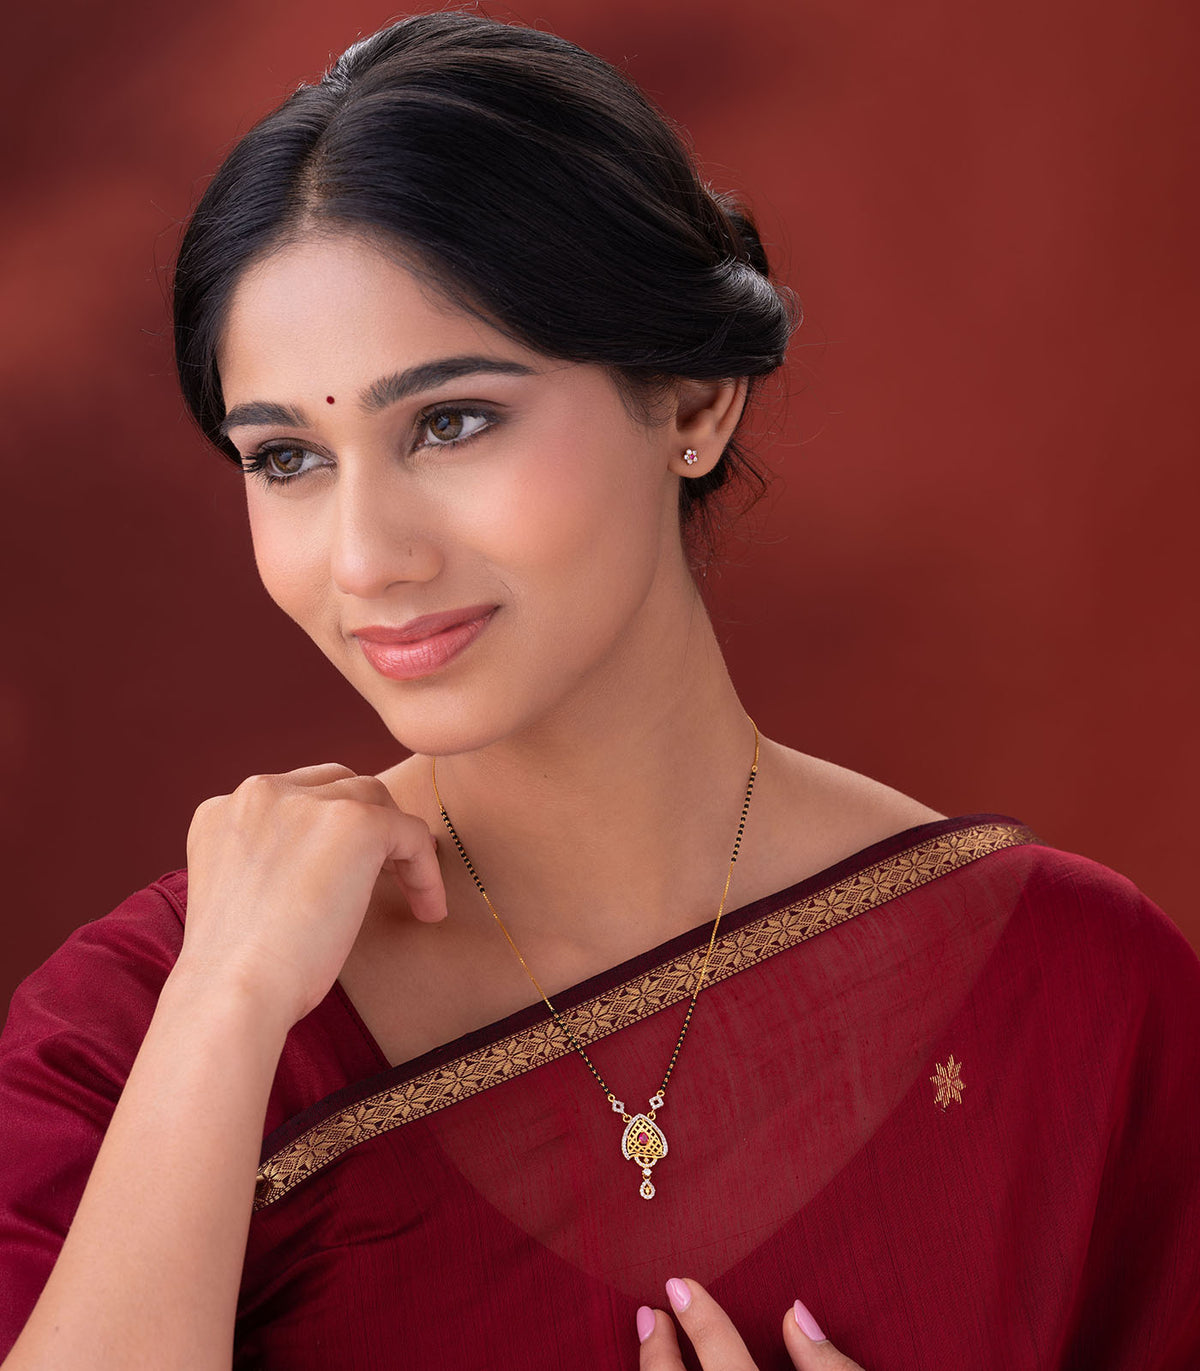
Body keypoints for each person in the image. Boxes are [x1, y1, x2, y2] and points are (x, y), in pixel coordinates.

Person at [1, 10, 1198, 1369]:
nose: (366, 556)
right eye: (286, 459)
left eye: (451, 423)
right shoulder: (139, 1034)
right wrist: (222, 1014)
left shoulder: (1069, 997)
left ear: (692, 404)